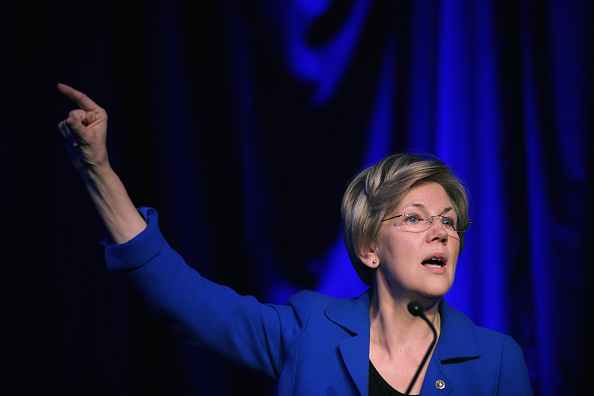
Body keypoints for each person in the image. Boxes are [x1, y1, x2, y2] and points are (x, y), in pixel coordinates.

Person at [57, 83, 533, 395]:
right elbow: (184, 300)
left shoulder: (496, 361)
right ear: (369, 248)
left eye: (449, 222)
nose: (440, 232)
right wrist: (96, 168)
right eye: (415, 218)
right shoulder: (308, 331)